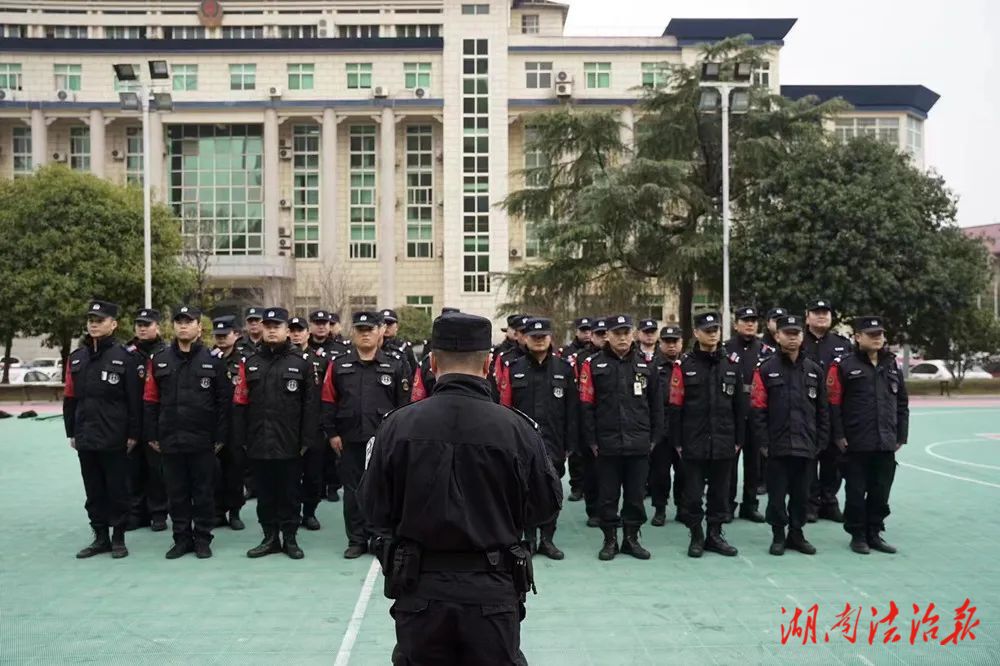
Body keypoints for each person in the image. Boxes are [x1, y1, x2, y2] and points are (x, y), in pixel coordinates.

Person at [359, 312, 562, 664]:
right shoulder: (517, 429)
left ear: (433, 363)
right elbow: (545, 506)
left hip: (420, 590)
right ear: (488, 365)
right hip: (492, 591)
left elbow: (373, 507)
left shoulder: (397, 426)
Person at [233, 307, 320, 559]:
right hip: (259, 441)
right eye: (268, 325)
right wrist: (242, 440)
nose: (271, 330)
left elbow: (310, 406)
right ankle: (269, 537)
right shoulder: (250, 363)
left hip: (290, 443)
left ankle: (290, 539)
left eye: (277, 326)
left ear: (286, 331)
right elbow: (240, 404)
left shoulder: (301, 364)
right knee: (265, 495)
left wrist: (306, 441)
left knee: (290, 493)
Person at [143, 306, 229, 559]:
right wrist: (152, 434)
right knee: (176, 493)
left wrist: (221, 437)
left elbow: (224, 402)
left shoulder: (213, 360)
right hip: (170, 438)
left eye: (188, 322)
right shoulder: (160, 360)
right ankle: (181, 538)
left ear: (198, 328)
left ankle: (203, 538)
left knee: (203, 492)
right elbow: (150, 399)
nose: (183, 326)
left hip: (203, 439)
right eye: (179, 322)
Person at [321, 311, 408, 558]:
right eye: (361, 329)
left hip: (383, 441)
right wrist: (332, 433)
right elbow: (328, 401)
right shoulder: (339, 365)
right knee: (353, 491)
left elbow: (404, 405)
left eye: (370, 329)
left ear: (380, 331)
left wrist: (399, 437)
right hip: (350, 439)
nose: (365, 334)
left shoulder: (395, 364)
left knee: (384, 489)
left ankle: (380, 536)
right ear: (353, 333)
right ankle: (357, 539)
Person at [579, 314, 663, 560]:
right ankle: (609, 540)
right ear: (608, 336)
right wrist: (592, 441)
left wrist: (654, 438)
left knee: (635, 496)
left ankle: (631, 539)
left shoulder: (647, 365)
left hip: (639, 443)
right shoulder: (594, 365)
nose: (623, 338)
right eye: (617, 333)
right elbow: (586, 405)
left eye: (627, 332)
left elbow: (657, 405)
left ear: (634, 334)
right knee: (608, 496)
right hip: (607, 444)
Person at [64, 300, 143, 559]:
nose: (94, 324)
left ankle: (118, 537)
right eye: (91, 320)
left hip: (115, 436)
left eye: (99, 320)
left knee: (118, 488)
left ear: (114, 324)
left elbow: (135, 399)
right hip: (85, 434)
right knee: (94, 490)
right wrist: (71, 432)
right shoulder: (77, 358)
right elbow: (70, 398)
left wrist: (133, 433)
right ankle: (100, 537)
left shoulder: (126, 357)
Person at [827, 316, 909, 555]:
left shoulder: (892, 365)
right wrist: (839, 435)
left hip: (885, 442)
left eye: (880, 335)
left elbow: (902, 403)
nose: (877, 339)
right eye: (871, 335)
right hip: (855, 442)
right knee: (855, 492)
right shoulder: (843, 365)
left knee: (881, 492)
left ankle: (875, 532)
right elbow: (833, 404)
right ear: (857, 337)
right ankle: (858, 535)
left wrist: (901, 435)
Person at [498, 317, 578, 560]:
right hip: (522, 443)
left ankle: (548, 539)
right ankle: (529, 539)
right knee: (525, 491)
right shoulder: (514, 368)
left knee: (552, 491)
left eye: (543, 336)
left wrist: (570, 444)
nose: (540, 340)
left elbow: (572, 411)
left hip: (554, 443)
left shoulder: (564, 369)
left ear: (550, 338)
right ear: (525, 339)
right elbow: (504, 408)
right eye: (534, 337)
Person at [668, 311, 745, 558]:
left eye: (716, 330)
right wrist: (677, 442)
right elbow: (675, 405)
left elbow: (740, 407)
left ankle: (715, 534)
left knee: (720, 493)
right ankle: (697, 536)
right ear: (697, 333)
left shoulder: (732, 364)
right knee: (692, 495)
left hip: (724, 440)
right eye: (708, 330)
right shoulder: (685, 365)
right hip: (693, 440)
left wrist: (738, 441)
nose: (712, 334)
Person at [750, 314, 828, 556]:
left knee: (801, 495)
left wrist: (820, 441)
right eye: (787, 334)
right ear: (777, 336)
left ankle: (797, 534)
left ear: (802, 336)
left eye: (796, 334)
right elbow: (757, 409)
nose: (792, 338)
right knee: (776, 497)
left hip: (806, 445)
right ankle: (778, 535)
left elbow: (823, 410)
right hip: (777, 446)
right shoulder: (765, 370)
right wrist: (764, 444)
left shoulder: (814, 371)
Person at [802, 298, 852, 523]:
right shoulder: (798, 341)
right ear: (807, 316)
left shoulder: (842, 344)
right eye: (816, 312)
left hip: (835, 412)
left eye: (825, 312)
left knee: (835, 460)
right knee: (809, 460)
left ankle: (829, 500)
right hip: (806, 411)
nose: (821, 316)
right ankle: (811, 503)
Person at [124, 307, 168, 532]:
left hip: (156, 421)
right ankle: (136, 513)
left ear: (157, 327)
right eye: (139, 324)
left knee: (156, 470)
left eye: (147, 324)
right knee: (132, 470)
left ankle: (158, 513)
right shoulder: (126, 353)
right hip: (131, 421)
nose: (142, 328)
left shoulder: (165, 353)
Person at [723, 306, 766, 524]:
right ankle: (727, 505)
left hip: (757, 413)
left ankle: (750, 505)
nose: (750, 324)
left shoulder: (765, 350)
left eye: (753, 320)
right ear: (736, 323)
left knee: (754, 463)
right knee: (730, 462)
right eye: (745, 320)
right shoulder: (725, 349)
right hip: (732, 412)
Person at [290, 316, 328, 531]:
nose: (296, 334)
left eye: (300, 330)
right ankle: (293, 513)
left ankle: (310, 512)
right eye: (292, 330)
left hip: (315, 427)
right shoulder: (283, 359)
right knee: (292, 475)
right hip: (291, 428)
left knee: (313, 475)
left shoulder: (320, 360)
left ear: (307, 333)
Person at [570, 316, 608, 527]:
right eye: (599, 334)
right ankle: (593, 509)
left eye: (605, 334)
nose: (603, 338)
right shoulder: (581, 359)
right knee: (591, 470)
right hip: (586, 418)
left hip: (609, 422)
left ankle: (608, 510)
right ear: (592, 336)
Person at [210, 315, 246, 530]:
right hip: (213, 423)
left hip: (236, 424)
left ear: (236, 335)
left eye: (226, 335)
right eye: (218, 336)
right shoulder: (209, 358)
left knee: (235, 470)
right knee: (214, 471)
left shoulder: (245, 359)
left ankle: (234, 511)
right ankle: (217, 511)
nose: (221, 340)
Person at [648, 324, 685, 526]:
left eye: (675, 341)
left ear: (681, 343)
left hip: (685, 429)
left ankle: (682, 507)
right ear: (660, 343)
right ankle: (660, 509)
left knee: (684, 472)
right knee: (659, 472)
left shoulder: (688, 364)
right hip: (661, 428)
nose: (671, 346)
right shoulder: (652, 366)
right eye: (667, 341)